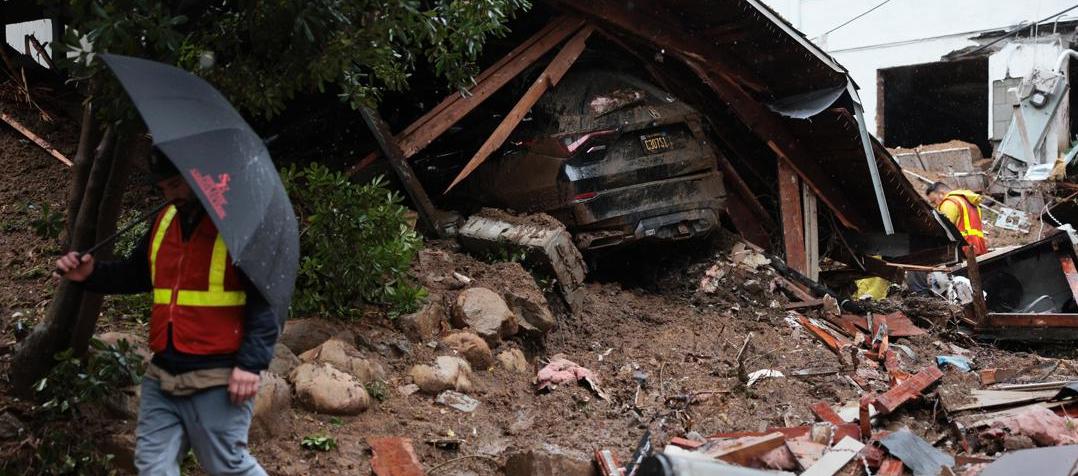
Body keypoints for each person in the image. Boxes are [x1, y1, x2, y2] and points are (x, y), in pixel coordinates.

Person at [55, 150, 277, 476]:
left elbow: (264, 303)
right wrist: (90, 275)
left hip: (217, 376)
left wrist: (251, 364)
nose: (170, 195)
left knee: (228, 466)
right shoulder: (163, 222)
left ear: (199, 177)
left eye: (176, 184)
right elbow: (136, 274)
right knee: (153, 466)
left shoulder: (236, 227)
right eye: (163, 188)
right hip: (162, 375)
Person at [926, 181, 988, 255]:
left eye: (934, 201)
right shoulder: (971, 203)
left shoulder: (949, 203)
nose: (935, 205)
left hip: (964, 249)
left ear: (941, 194)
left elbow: (943, 230)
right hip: (979, 247)